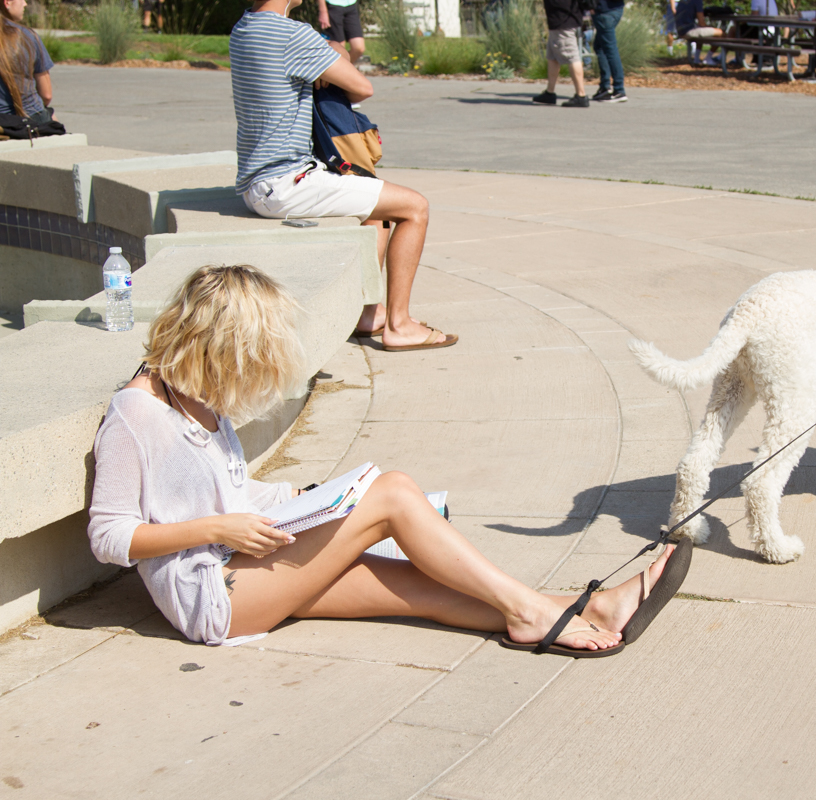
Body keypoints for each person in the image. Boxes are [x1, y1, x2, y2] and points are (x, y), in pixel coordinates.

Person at [88, 265, 685, 654]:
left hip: (246, 562)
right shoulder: (137, 414)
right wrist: (219, 528)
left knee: (421, 589)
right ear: (215, 344)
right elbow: (109, 536)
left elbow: (224, 489)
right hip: (212, 592)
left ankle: (592, 606)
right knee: (393, 491)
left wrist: (290, 499)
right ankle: (534, 613)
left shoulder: (198, 395)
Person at [230, 0, 455, 352]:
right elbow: (362, 87)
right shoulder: (292, 35)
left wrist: (325, 53)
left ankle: (369, 314)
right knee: (415, 208)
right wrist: (334, 52)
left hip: (260, 182)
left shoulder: (243, 29)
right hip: (289, 182)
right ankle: (400, 325)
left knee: (376, 210)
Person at [0, 0, 62, 137]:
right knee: (52, 120)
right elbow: (46, 95)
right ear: (7, 3)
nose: (25, 4)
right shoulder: (28, 36)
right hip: (30, 118)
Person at [532, 0, 589, 107]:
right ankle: (550, 92)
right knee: (552, 56)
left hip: (563, 17)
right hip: (559, 17)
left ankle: (581, 95)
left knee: (571, 56)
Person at [591, 0, 627, 103]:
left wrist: (590, 6)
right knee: (600, 46)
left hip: (603, 11)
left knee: (610, 49)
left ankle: (619, 89)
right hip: (616, 8)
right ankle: (605, 87)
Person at [316, 0, 365, 65]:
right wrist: (323, 11)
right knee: (340, 49)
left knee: (358, 48)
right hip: (333, 5)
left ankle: (344, 70)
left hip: (351, 4)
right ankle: (339, 72)